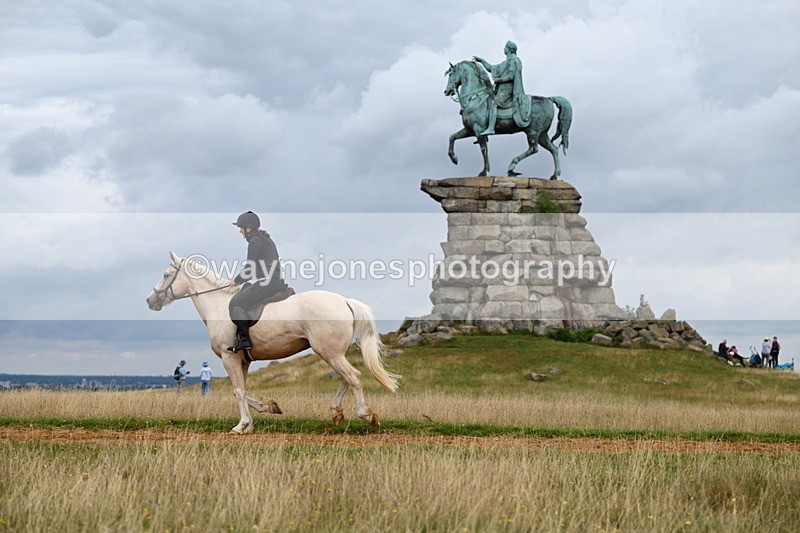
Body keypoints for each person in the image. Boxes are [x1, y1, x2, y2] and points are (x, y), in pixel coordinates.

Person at [227, 211, 287, 353]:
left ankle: (245, 340)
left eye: (241, 228)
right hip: (273, 280)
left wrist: (236, 280)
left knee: (235, 303)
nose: (240, 231)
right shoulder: (262, 239)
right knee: (246, 289)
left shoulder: (255, 241)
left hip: (268, 281)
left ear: (249, 228)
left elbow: (250, 267)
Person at [473, 40, 531, 136]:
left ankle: (491, 128)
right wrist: (482, 61)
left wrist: (499, 80)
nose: (503, 49)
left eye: (505, 47)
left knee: (493, 103)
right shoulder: (505, 62)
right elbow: (491, 68)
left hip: (508, 90)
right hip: (502, 89)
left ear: (509, 49)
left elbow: (511, 76)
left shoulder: (513, 60)